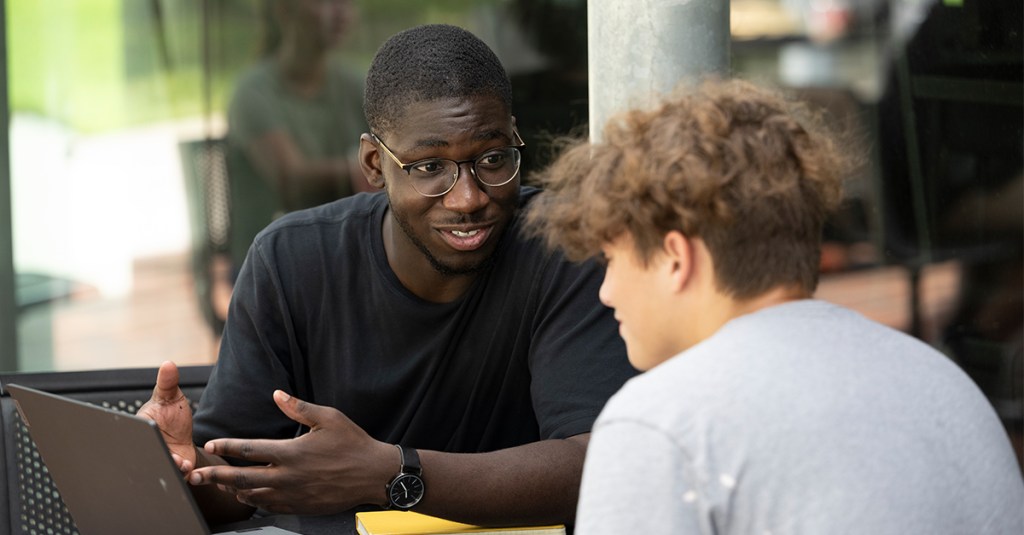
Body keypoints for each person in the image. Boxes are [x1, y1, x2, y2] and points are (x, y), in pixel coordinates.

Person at [140, 23, 635, 529]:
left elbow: (597, 465)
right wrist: (181, 463)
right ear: (375, 164)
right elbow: (236, 485)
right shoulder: (290, 260)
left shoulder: (562, 246)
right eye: (429, 167)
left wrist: (389, 475)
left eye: (492, 158)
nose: (469, 198)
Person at [525, 79, 1024, 534]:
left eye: (611, 259)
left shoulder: (660, 423)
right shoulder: (945, 383)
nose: (605, 291)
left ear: (676, 258)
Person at [226, 0, 372, 276]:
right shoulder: (252, 92)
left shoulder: (354, 84)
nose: (340, 11)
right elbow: (292, 180)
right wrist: (379, 168)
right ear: (284, 9)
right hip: (271, 266)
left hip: (342, 249)